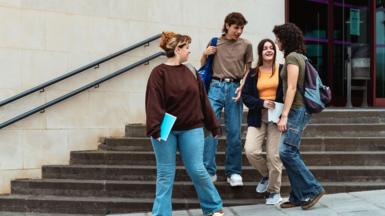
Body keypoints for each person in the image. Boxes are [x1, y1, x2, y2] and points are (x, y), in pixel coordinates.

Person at [145, 32, 224, 216]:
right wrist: (155, 128)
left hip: (192, 128)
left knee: (197, 169)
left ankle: (213, 208)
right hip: (165, 130)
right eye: (187, 47)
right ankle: (162, 214)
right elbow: (153, 102)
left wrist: (213, 125)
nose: (189, 51)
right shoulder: (158, 73)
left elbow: (203, 100)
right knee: (165, 174)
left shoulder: (191, 71)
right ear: (177, 49)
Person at [273, 23, 325, 210]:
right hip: (297, 109)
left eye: (278, 38)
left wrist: (284, 115)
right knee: (291, 151)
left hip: (297, 109)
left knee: (286, 151)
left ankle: (313, 188)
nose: (276, 42)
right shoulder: (297, 57)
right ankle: (297, 195)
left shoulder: (293, 58)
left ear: (285, 39)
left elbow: (292, 88)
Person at [201, 12, 253, 187]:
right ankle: (209, 171)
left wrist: (243, 85)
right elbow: (203, 65)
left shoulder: (246, 45)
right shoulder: (215, 42)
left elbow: (248, 69)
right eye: (236, 27)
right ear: (227, 25)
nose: (239, 31)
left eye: (242, 28)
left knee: (234, 132)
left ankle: (234, 172)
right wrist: (205, 53)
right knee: (210, 129)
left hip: (234, 88)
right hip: (215, 87)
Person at [241, 38, 284, 205]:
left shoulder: (281, 70)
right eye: (265, 48)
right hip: (257, 116)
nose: (268, 50)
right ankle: (267, 175)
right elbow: (246, 96)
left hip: (277, 117)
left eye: (271, 48)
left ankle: (274, 192)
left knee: (274, 155)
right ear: (260, 52)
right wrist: (261, 103)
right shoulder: (252, 73)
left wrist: (284, 114)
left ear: (274, 51)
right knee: (250, 150)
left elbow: (288, 92)